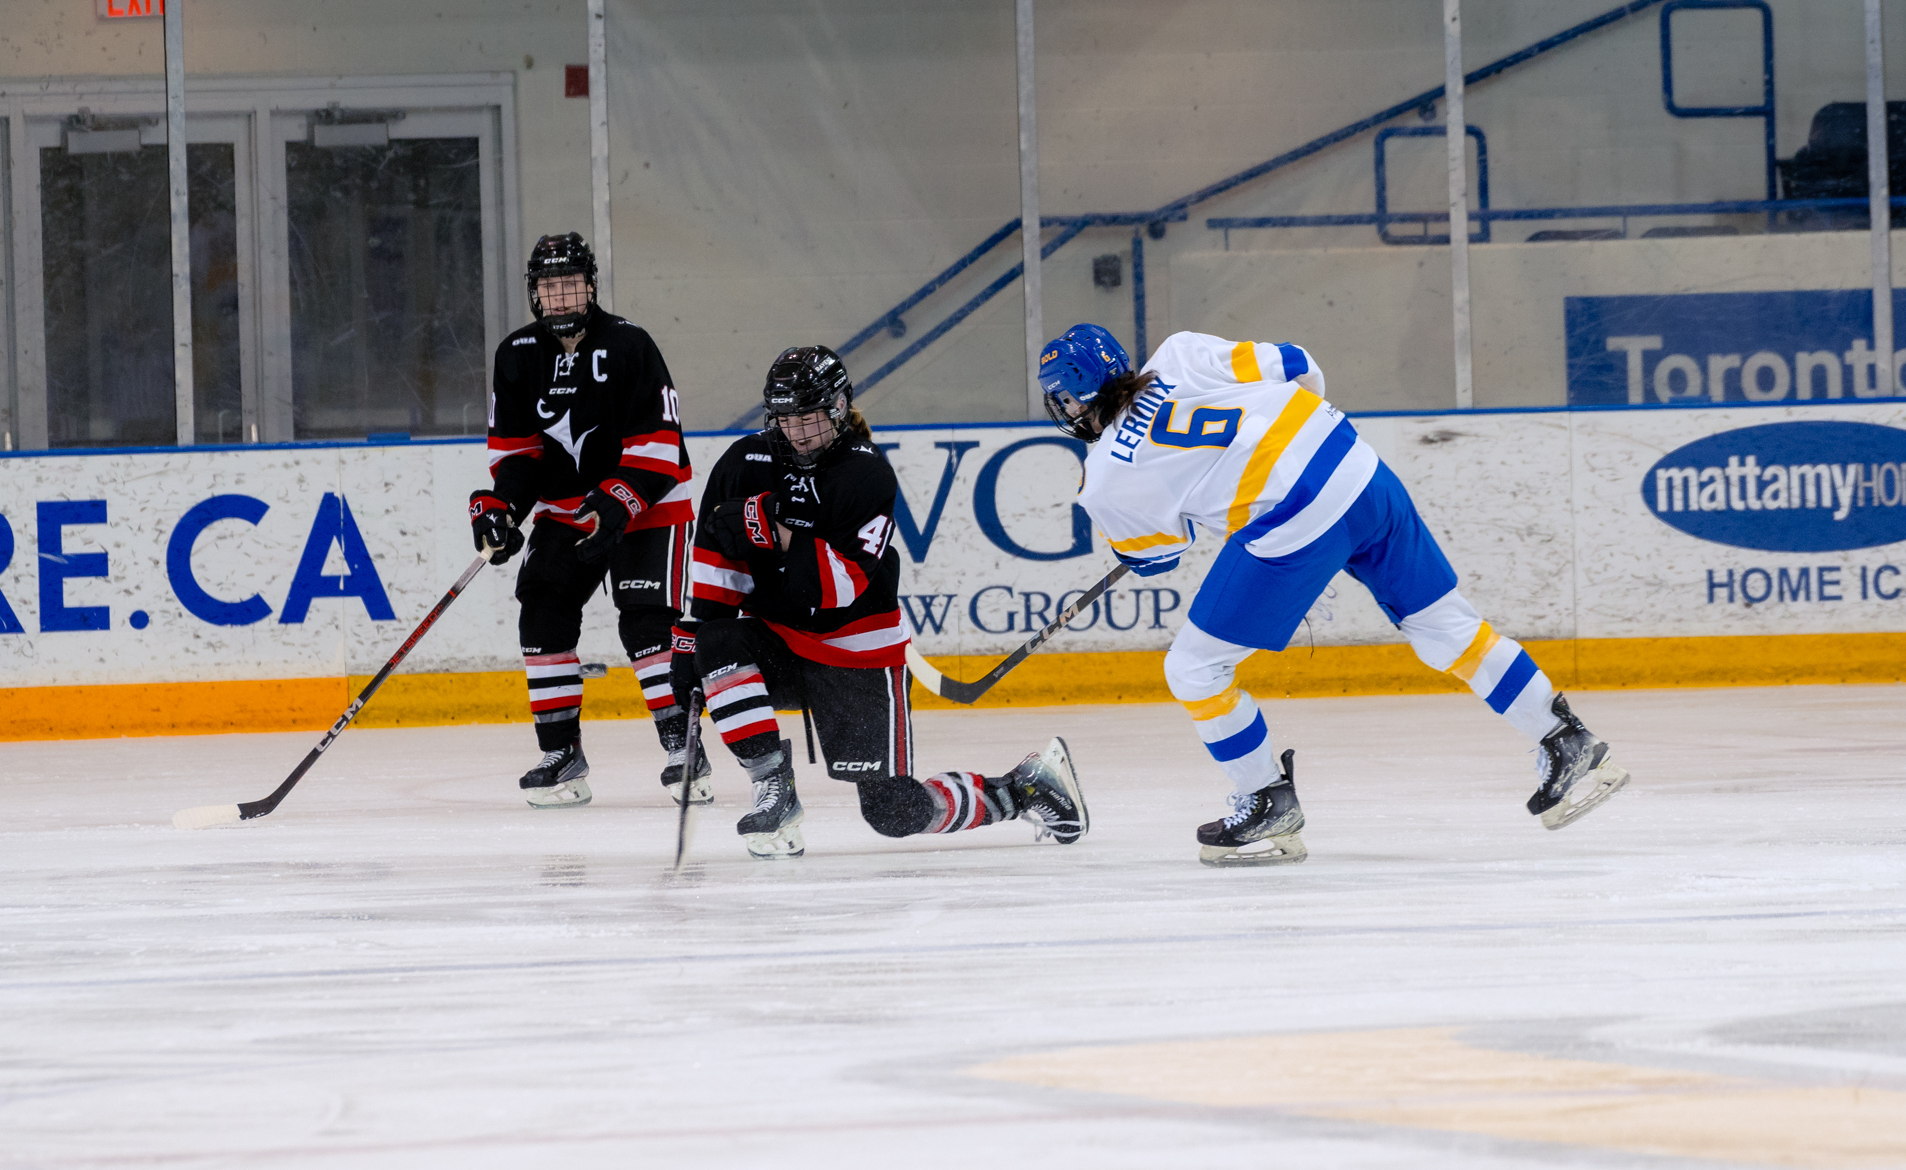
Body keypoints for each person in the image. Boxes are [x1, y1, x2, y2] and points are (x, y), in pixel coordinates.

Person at [1038, 325, 1629, 867]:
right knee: (1444, 626)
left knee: (1194, 670)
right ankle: (1568, 741)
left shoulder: (1107, 476)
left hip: (1297, 523)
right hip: (1358, 468)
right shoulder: (1180, 352)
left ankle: (1265, 799)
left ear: (1078, 395)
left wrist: (1141, 545)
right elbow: (1297, 362)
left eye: (1061, 396)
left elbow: (1160, 553)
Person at [668, 344, 1088, 859]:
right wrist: (691, 643)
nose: (797, 431)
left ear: (839, 407)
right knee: (716, 641)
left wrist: (771, 527)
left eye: (809, 417)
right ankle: (773, 790)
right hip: (776, 640)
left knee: (892, 812)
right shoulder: (743, 461)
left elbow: (834, 588)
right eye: (785, 418)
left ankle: (1022, 790)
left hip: (857, 654)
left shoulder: (864, 473)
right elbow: (716, 558)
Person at [469, 233, 695, 807]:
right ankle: (562, 755)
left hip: (648, 509)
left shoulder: (630, 345)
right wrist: (501, 509)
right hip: (569, 513)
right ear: (534, 293)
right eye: (550, 284)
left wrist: (620, 499)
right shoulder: (516, 354)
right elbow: (520, 456)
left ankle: (682, 749)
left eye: (571, 281)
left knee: (646, 625)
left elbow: (661, 447)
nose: (561, 293)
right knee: (542, 610)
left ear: (591, 286)